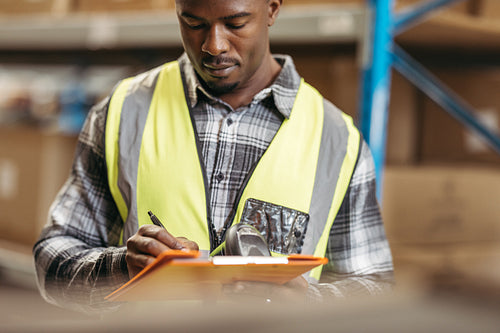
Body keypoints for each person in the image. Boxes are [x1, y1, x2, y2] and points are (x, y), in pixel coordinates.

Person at [33, 0, 394, 313]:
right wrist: (122, 267)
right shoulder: (124, 111)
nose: (213, 45)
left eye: (235, 23)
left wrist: (310, 304)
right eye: (193, 23)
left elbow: (375, 289)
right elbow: (52, 263)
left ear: (272, 8)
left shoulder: (338, 140)